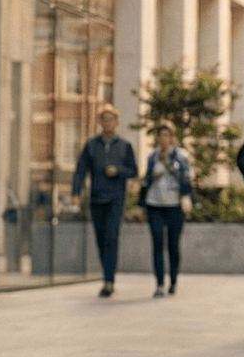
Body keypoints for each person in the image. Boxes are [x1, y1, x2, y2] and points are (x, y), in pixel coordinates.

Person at [73, 105, 138, 298]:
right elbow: (80, 170)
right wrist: (76, 192)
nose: (108, 123)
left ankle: (109, 282)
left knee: (111, 237)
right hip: (96, 199)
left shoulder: (124, 146)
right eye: (104, 119)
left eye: (111, 119)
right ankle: (107, 276)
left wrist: (118, 170)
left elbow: (133, 171)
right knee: (101, 240)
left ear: (116, 123)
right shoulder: (91, 145)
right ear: (100, 123)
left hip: (115, 200)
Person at [141, 123, 193, 298]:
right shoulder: (152, 157)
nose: (163, 139)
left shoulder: (181, 156)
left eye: (167, 135)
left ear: (172, 138)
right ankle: (159, 284)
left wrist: (169, 165)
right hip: (154, 204)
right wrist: (141, 204)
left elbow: (186, 180)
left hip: (174, 206)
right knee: (157, 244)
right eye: (160, 135)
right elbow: (145, 181)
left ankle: (174, 281)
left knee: (173, 245)